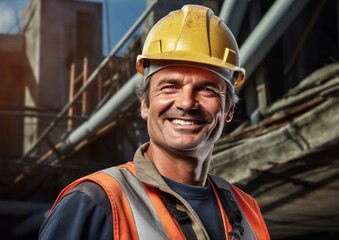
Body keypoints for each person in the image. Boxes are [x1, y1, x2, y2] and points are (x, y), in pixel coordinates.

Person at [39, 4, 270, 240]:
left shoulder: (248, 211)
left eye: (207, 89)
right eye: (170, 86)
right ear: (145, 105)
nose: (187, 103)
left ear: (229, 109)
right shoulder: (95, 203)